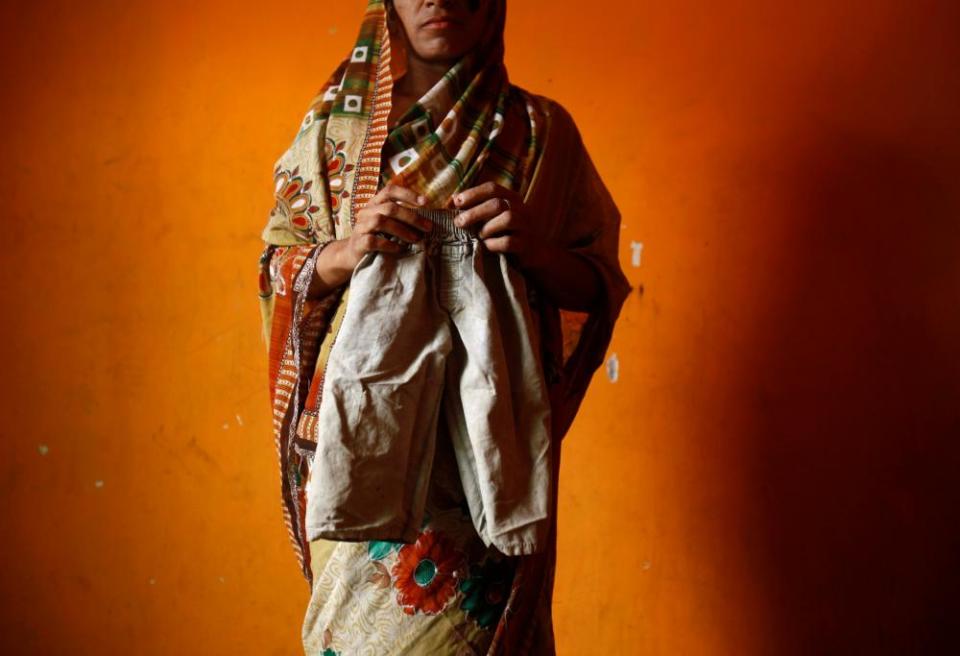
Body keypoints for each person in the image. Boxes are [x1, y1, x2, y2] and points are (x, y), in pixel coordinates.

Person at [257, 0, 631, 653]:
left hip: (492, 462)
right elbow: (275, 272)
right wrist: (346, 252)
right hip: (362, 455)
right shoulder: (331, 134)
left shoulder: (541, 132)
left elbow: (597, 286)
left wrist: (536, 251)